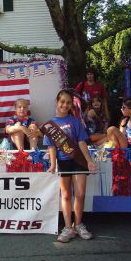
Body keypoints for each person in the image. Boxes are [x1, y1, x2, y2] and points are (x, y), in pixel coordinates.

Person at [44, 90, 97, 243]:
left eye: (68, 103)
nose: (65, 105)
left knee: (80, 194)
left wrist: (89, 160)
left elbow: (81, 142)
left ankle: (79, 224)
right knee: (66, 195)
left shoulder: (75, 121)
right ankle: (68, 228)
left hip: (78, 160)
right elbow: (52, 147)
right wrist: (53, 164)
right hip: (63, 161)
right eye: (62, 102)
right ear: (57, 101)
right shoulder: (50, 125)